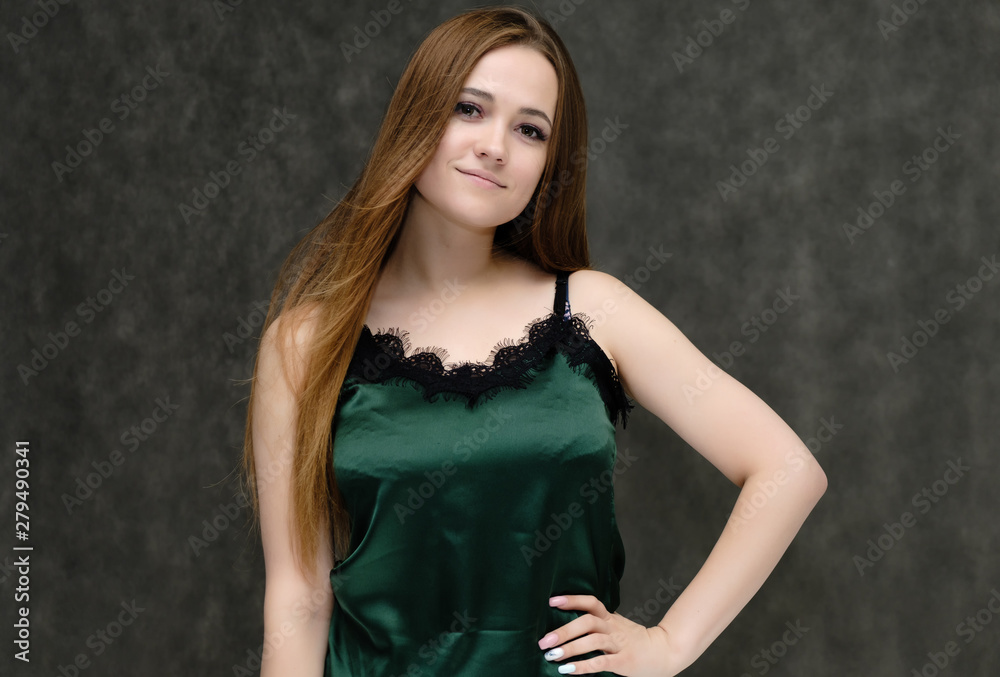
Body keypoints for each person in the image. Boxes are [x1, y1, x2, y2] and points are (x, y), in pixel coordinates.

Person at [240, 5, 828, 676]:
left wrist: (669, 644)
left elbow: (787, 469)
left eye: (530, 129)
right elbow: (298, 598)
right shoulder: (305, 345)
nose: (495, 146)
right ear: (415, 117)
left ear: (550, 164)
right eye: (469, 109)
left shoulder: (593, 311)